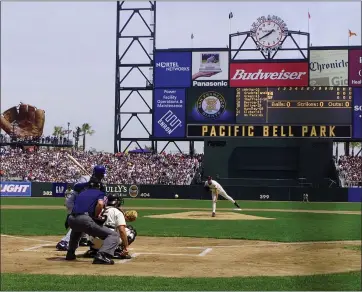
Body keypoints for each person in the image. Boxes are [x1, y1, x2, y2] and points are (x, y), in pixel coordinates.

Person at [65, 173, 120, 265]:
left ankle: (70, 253)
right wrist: (96, 215)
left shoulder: (82, 192)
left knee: (77, 231)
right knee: (113, 235)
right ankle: (102, 255)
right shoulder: (100, 193)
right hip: (84, 219)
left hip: (71, 219)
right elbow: (100, 204)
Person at [56, 166, 106, 251]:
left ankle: (83, 238)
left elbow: (102, 194)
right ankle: (64, 241)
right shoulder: (86, 178)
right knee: (81, 219)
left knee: (85, 218)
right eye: (102, 174)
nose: (103, 176)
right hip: (73, 201)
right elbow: (76, 187)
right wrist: (88, 184)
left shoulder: (100, 183)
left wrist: (99, 186)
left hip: (82, 203)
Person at [83, 194, 137, 260]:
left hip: (94, 241)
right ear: (117, 202)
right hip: (109, 240)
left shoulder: (99, 209)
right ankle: (118, 251)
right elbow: (122, 230)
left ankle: (94, 250)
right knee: (131, 231)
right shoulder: (117, 212)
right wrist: (126, 247)